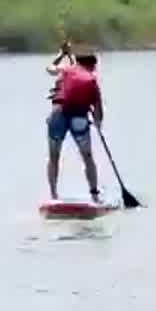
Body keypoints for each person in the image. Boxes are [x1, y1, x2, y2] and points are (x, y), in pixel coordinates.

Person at [44, 46, 104, 203]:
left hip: (58, 115)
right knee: (87, 157)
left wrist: (60, 55)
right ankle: (95, 196)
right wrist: (98, 124)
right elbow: (98, 109)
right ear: (91, 65)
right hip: (79, 118)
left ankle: (53, 195)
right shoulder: (92, 80)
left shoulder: (66, 69)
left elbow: (49, 69)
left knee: (54, 156)